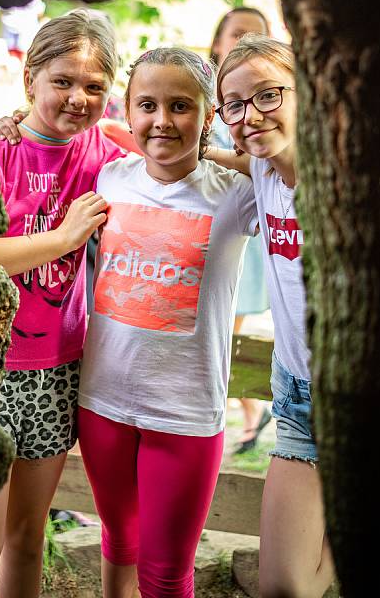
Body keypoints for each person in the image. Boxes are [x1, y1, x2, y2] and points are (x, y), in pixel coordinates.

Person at [0, 8, 126, 598]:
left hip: (56, 371)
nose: (78, 98)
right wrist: (64, 238)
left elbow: (182, 150)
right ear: (29, 80)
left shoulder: (106, 155)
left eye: (94, 87)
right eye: (62, 82)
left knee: (26, 540)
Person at [77, 47, 258, 598]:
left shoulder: (237, 197)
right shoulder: (107, 179)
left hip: (184, 414)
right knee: (119, 541)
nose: (161, 120)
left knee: (165, 573)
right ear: (128, 110)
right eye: (147, 105)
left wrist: (213, 154)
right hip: (102, 402)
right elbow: (58, 136)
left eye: (181, 107)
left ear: (208, 116)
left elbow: (293, 167)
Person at [213, 32, 335, 597]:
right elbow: (200, 147)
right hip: (301, 403)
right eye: (234, 105)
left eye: (267, 95)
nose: (249, 116)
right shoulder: (261, 171)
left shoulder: (351, 177)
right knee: (284, 585)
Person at [210, 6, 272, 453]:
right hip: (210, 227)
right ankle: (250, 412)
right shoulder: (205, 101)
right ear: (217, 42)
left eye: (256, 35)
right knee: (219, 325)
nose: (244, 41)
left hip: (250, 234)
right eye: (236, 34)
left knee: (231, 325)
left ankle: (248, 411)